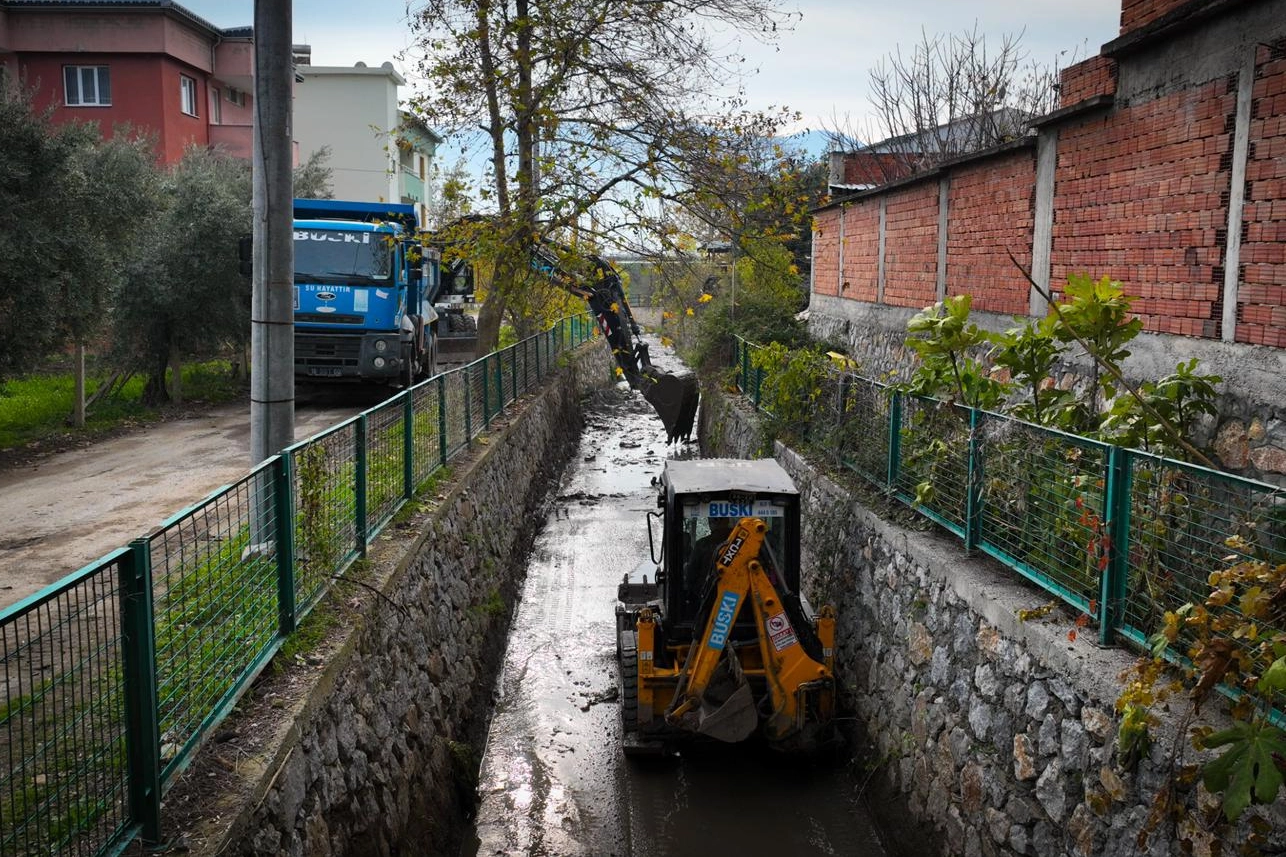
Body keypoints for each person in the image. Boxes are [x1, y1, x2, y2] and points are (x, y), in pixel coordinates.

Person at [683, 516, 737, 610]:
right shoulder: (741, 543)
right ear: (727, 520)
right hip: (737, 597)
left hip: (707, 599)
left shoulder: (702, 545)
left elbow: (691, 575)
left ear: (712, 522)